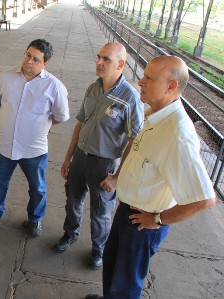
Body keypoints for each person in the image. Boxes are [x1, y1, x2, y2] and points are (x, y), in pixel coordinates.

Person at [86, 56, 216, 299]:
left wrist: (157, 218)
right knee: (114, 269)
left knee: (125, 285)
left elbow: (204, 199)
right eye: (144, 75)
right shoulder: (156, 114)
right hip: (128, 212)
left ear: (171, 86)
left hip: (142, 222)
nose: (140, 81)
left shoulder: (177, 135)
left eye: (150, 78)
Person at [54, 42, 144, 270]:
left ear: (121, 65)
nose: (99, 63)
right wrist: (68, 158)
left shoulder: (129, 98)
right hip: (81, 157)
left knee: (100, 210)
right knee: (73, 200)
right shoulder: (93, 88)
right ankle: (70, 233)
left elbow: (136, 140)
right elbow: (80, 124)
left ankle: (98, 248)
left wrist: (118, 177)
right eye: (98, 57)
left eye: (106, 59)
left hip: (104, 164)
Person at [0, 39, 70, 237]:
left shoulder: (54, 86)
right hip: (5, 145)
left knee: (37, 188)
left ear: (45, 64)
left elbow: (60, 117)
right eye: (27, 55)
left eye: (36, 59)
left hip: (34, 149)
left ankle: (35, 219)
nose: (29, 61)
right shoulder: (5, 78)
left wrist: (39, 126)